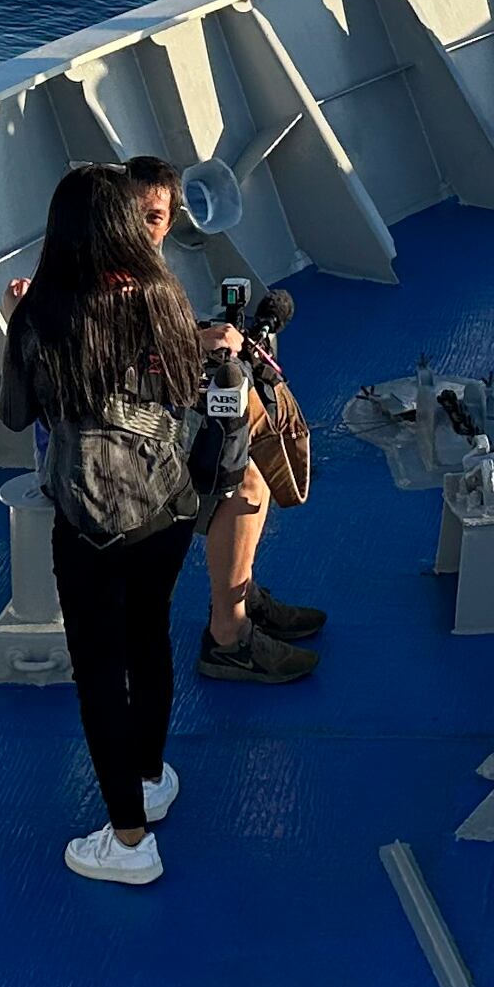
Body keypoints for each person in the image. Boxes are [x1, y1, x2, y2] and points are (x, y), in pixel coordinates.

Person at [0, 161, 253, 886]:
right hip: (167, 508)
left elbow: (17, 413)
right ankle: (149, 777)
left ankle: (130, 840)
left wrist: (17, 324)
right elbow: (178, 391)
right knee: (148, 637)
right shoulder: (164, 295)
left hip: (89, 522)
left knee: (100, 674)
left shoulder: (45, 312)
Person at [113, 154, 326, 685]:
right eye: (135, 214)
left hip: (140, 416)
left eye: (156, 217)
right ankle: (228, 638)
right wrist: (196, 344)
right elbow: (119, 357)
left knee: (247, 449)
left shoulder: (134, 267)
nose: (146, 227)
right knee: (240, 484)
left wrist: (207, 339)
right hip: (118, 445)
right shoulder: (112, 277)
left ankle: (243, 590)